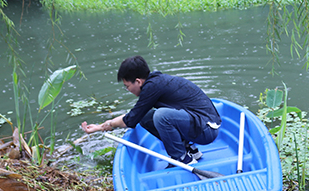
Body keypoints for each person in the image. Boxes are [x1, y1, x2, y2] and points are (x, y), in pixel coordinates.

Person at [81, 56, 221, 164]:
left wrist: (105, 126)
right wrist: (101, 126)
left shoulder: (152, 86)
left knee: (161, 116)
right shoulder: (155, 82)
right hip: (200, 124)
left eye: (127, 86)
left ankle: (182, 158)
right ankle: (189, 149)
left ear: (138, 81)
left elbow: (130, 120)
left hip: (207, 130)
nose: (128, 90)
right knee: (146, 116)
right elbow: (136, 115)